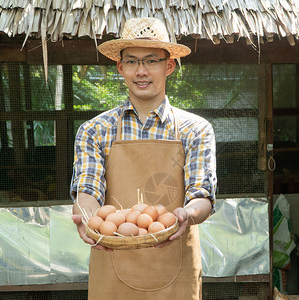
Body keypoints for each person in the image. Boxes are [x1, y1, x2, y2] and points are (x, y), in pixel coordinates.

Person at [70, 17, 217, 300]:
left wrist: (187, 214)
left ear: (169, 66)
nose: (141, 71)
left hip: (175, 264)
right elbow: (87, 189)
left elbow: (202, 196)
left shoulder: (195, 130)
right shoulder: (95, 130)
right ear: (120, 67)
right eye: (133, 61)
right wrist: (88, 219)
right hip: (111, 261)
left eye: (151, 61)